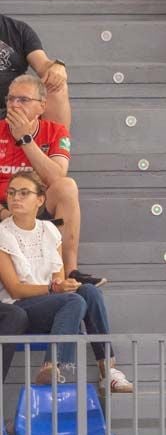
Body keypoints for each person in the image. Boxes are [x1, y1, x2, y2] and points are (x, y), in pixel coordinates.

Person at [0, 171, 132, 392]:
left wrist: (64, 286)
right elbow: (15, 290)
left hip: (51, 303)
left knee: (89, 292)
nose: (15, 198)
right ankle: (53, 365)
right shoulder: (3, 233)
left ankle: (107, 370)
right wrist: (55, 288)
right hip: (20, 307)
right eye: (11, 193)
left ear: (40, 200)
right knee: (74, 301)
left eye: (24, 193)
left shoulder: (50, 230)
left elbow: (58, 277)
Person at [0, 75, 97, 285]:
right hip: (3, 205)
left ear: (42, 106)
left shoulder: (55, 131)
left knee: (67, 186)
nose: (14, 105)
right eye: (10, 99)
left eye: (23, 100)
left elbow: (56, 177)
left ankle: (70, 271)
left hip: (37, 203)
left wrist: (25, 139)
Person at [0, 0, 71, 125]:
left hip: (14, 113)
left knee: (56, 84)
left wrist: (57, 67)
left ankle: (56, 142)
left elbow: (44, 65)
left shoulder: (19, 30)